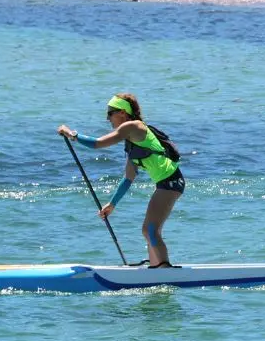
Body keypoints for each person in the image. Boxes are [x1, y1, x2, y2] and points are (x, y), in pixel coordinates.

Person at [57, 94, 184, 268]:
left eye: (110, 113)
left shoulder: (133, 126)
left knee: (151, 230)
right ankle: (156, 268)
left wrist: (72, 134)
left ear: (123, 112)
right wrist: (112, 204)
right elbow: (128, 178)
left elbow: (98, 143)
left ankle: (163, 270)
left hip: (171, 182)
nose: (107, 118)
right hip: (166, 184)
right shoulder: (132, 142)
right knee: (148, 230)